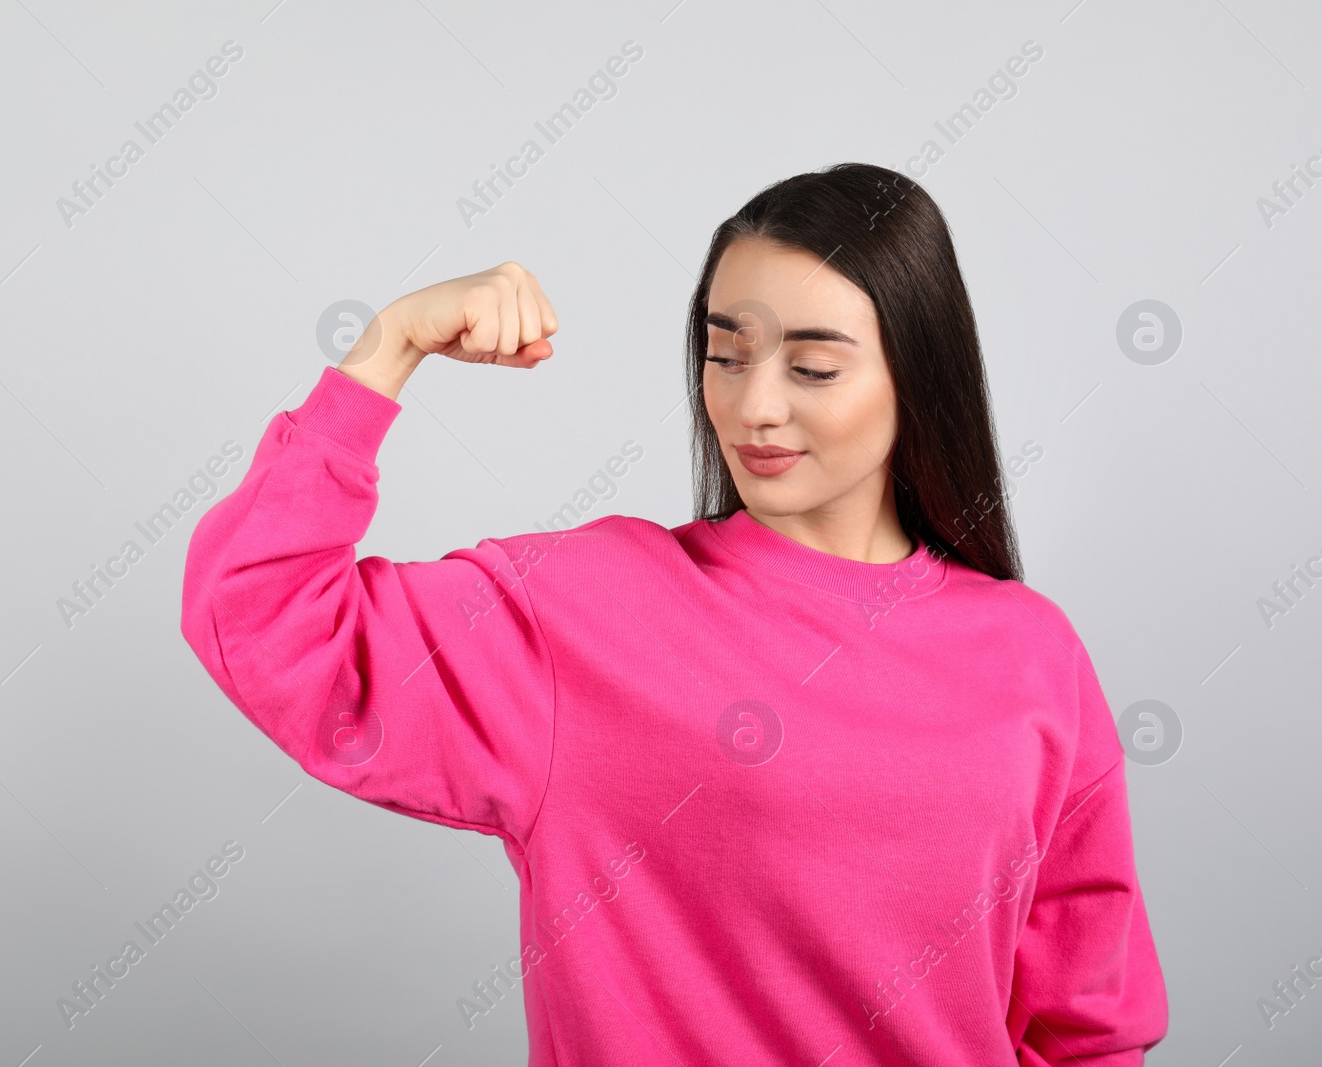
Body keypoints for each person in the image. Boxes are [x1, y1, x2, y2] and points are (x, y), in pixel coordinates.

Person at [180, 162, 1169, 1065]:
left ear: (919, 375)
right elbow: (259, 613)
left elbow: (1088, 1024)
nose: (754, 407)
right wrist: (387, 346)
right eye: (725, 354)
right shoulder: (583, 612)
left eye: (812, 368)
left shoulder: (1033, 652)